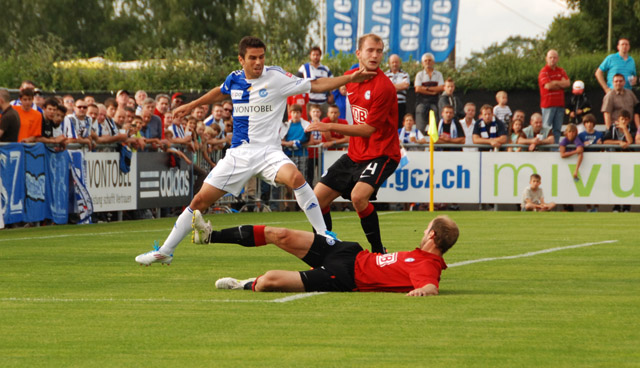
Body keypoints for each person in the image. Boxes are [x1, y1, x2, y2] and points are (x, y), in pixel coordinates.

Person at [135, 36, 375, 266]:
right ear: (241, 59)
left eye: (261, 57)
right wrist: (193, 104)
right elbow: (221, 90)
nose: (258, 62)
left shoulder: (277, 77)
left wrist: (350, 78)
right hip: (239, 154)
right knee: (199, 201)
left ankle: (323, 235)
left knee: (296, 178)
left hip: (269, 152)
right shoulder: (235, 78)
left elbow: (315, 84)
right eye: (252, 58)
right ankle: (165, 252)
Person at [192, 212, 459, 296]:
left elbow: (430, 286)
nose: (424, 231)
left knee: (268, 281)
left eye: (427, 228)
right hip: (349, 251)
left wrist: (423, 292)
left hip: (344, 276)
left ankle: (243, 284)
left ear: (432, 236)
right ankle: (210, 236)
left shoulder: (430, 264)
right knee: (279, 233)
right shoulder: (420, 256)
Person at [306, 34, 401, 254]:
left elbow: (367, 130)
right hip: (355, 154)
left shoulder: (384, 87)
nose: (375, 55)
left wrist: (329, 126)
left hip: (382, 153)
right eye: (370, 50)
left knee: (358, 197)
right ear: (358, 53)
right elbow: (321, 86)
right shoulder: (351, 77)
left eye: (379, 51)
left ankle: (378, 251)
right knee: (316, 200)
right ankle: (326, 252)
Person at [539, 49, 570, 143]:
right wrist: (560, 83)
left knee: (557, 129)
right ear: (546, 59)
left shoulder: (561, 70)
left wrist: (554, 82)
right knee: (546, 129)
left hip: (560, 105)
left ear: (558, 59)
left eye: (554, 57)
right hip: (548, 105)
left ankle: (555, 148)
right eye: (550, 57)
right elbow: (548, 86)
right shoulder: (544, 71)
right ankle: (545, 148)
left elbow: (567, 83)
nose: (552, 59)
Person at [297, 46, 334, 115]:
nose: (315, 57)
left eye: (317, 55)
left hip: (323, 102)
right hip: (309, 102)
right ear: (310, 56)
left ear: (320, 56)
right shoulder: (304, 68)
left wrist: (331, 94)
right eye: (313, 55)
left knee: (325, 121)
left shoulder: (325, 69)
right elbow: (297, 81)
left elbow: (332, 83)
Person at [414, 52, 444, 132]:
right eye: (425, 60)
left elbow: (441, 88)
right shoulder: (419, 75)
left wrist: (425, 88)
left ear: (433, 62)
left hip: (435, 102)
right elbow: (418, 89)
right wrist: (432, 91)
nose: (427, 62)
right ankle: (420, 134)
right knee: (420, 112)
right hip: (422, 102)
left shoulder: (439, 74)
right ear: (422, 63)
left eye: (429, 60)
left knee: (436, 116)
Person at [384, 54, 411, 127]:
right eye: (393, 62)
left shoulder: (405, 74)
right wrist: (399, 86)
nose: (394, 64)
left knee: (399, 125)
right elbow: (384, 88)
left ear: (400, 63)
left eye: (396, 62)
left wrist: (390, 87)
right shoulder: (385, 75)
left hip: (400, 104)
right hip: (388, 104)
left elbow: (406, 85)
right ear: (389, 63)